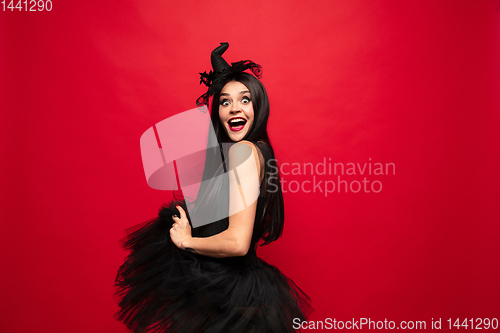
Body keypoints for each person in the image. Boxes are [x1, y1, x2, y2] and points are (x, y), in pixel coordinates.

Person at [114, 42, 313, 333]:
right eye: (225, 101)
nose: (234, 108)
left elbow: (237, 243)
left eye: (245, 100)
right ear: (217, 110)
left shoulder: (243, 151)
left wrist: (187, 242)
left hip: (230, 290)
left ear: (259, 105)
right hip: (236, 289)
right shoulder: (260, 150)